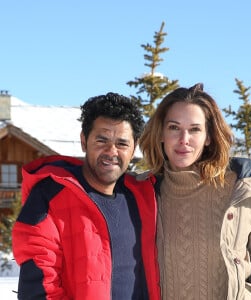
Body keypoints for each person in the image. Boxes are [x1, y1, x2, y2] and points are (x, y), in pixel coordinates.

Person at [139, 83, 251, 300]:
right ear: (161, 133)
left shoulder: (245, 187)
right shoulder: (141, 191)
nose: (184, 139)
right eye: (174, 127)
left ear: (208, 137)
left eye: (195, 129)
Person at [12, 93, 160, 300]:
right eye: (102, 140)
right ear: (84, 141)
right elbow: (39, 289)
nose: (111, 151)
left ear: (134, 147)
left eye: (122, 143)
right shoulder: (49, 197)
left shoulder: (144, 197)